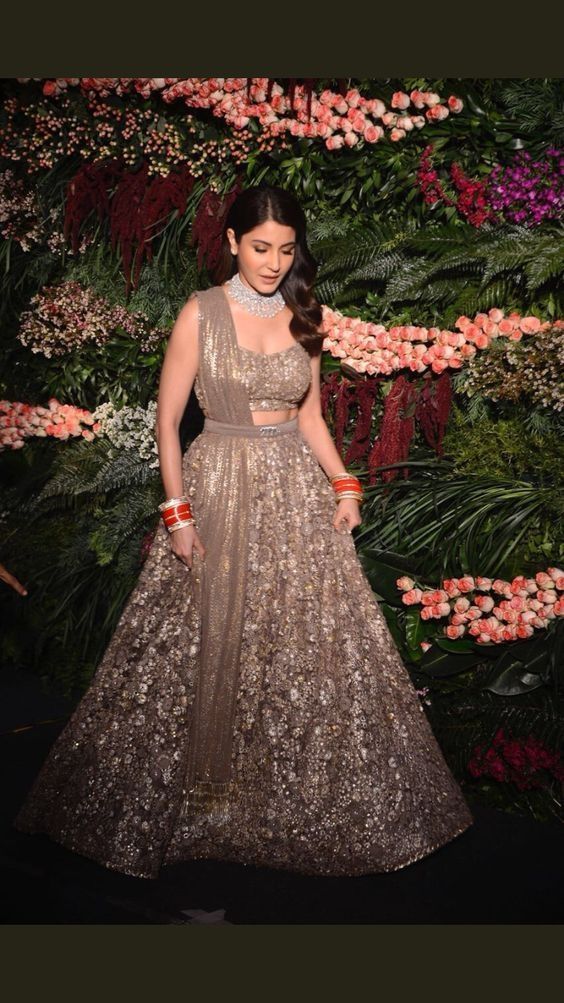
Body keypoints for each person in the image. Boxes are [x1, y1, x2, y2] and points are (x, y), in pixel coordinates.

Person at [13, 185, 473, 879]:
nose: (272, 261)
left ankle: (280, 800)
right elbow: (168, 422)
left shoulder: (303, 313)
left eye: (286, 250)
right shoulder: (199, 313)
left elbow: (312, 416)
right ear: (230, 241)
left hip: (294, 490)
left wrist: (345, 484)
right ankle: (193, 803)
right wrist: (177, 513)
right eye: (260, 247)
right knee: (200, 646)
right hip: (218, 484)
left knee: (297, 648)